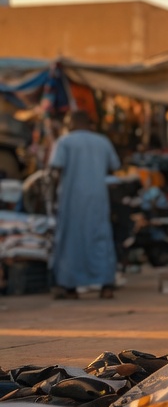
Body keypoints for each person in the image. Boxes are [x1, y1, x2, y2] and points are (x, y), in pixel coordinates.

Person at [47, 111, 120, 299]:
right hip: (98, 198)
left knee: (71, 241)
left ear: (71, 123)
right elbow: (114, 166)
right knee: (100, 239)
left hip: (72, 199)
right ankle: (107, 285)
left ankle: (70, 287)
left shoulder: (64, 141)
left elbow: (56, 169)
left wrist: (52, 198)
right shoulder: (102, 141)